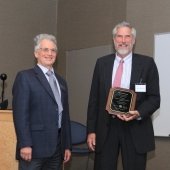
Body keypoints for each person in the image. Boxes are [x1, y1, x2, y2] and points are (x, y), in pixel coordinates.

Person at [87, 21, 160, 170]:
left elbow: (154, 98)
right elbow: (94, 100)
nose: (123, 41)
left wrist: (138, 112)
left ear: (133, 40)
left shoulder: (147, 64)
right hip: (106, 128)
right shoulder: (101, 63)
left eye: (127, 37)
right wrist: (91, 131)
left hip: (135, 127)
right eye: (119, 37)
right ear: (114, 40)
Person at [12, 34, 71, 170]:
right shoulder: (25, 77)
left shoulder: (61, 81)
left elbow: (65, 116)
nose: (49, 53)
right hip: (33, 149)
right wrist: (25, 144)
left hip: (57, 149)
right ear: (36, 53)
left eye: (53, 50)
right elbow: (21, 115)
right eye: (45, 50)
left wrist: (67, 145)